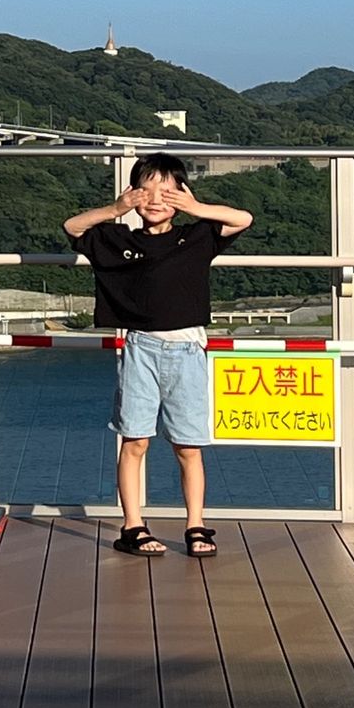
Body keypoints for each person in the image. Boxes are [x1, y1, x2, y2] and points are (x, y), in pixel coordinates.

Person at [63, 152, 253, 558]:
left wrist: (196, 207)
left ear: (182, 193)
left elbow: (243, 219)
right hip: (140, 349)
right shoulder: (119, 240)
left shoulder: (197, 236)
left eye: (167, 191)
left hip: (187, 350)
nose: (155, 199)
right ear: (133, 192)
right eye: (146, 189)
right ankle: (133, 526)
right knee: (135, 441)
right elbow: (73, 227)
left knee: (188, 446)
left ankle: (196, 526)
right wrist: (116, 209)